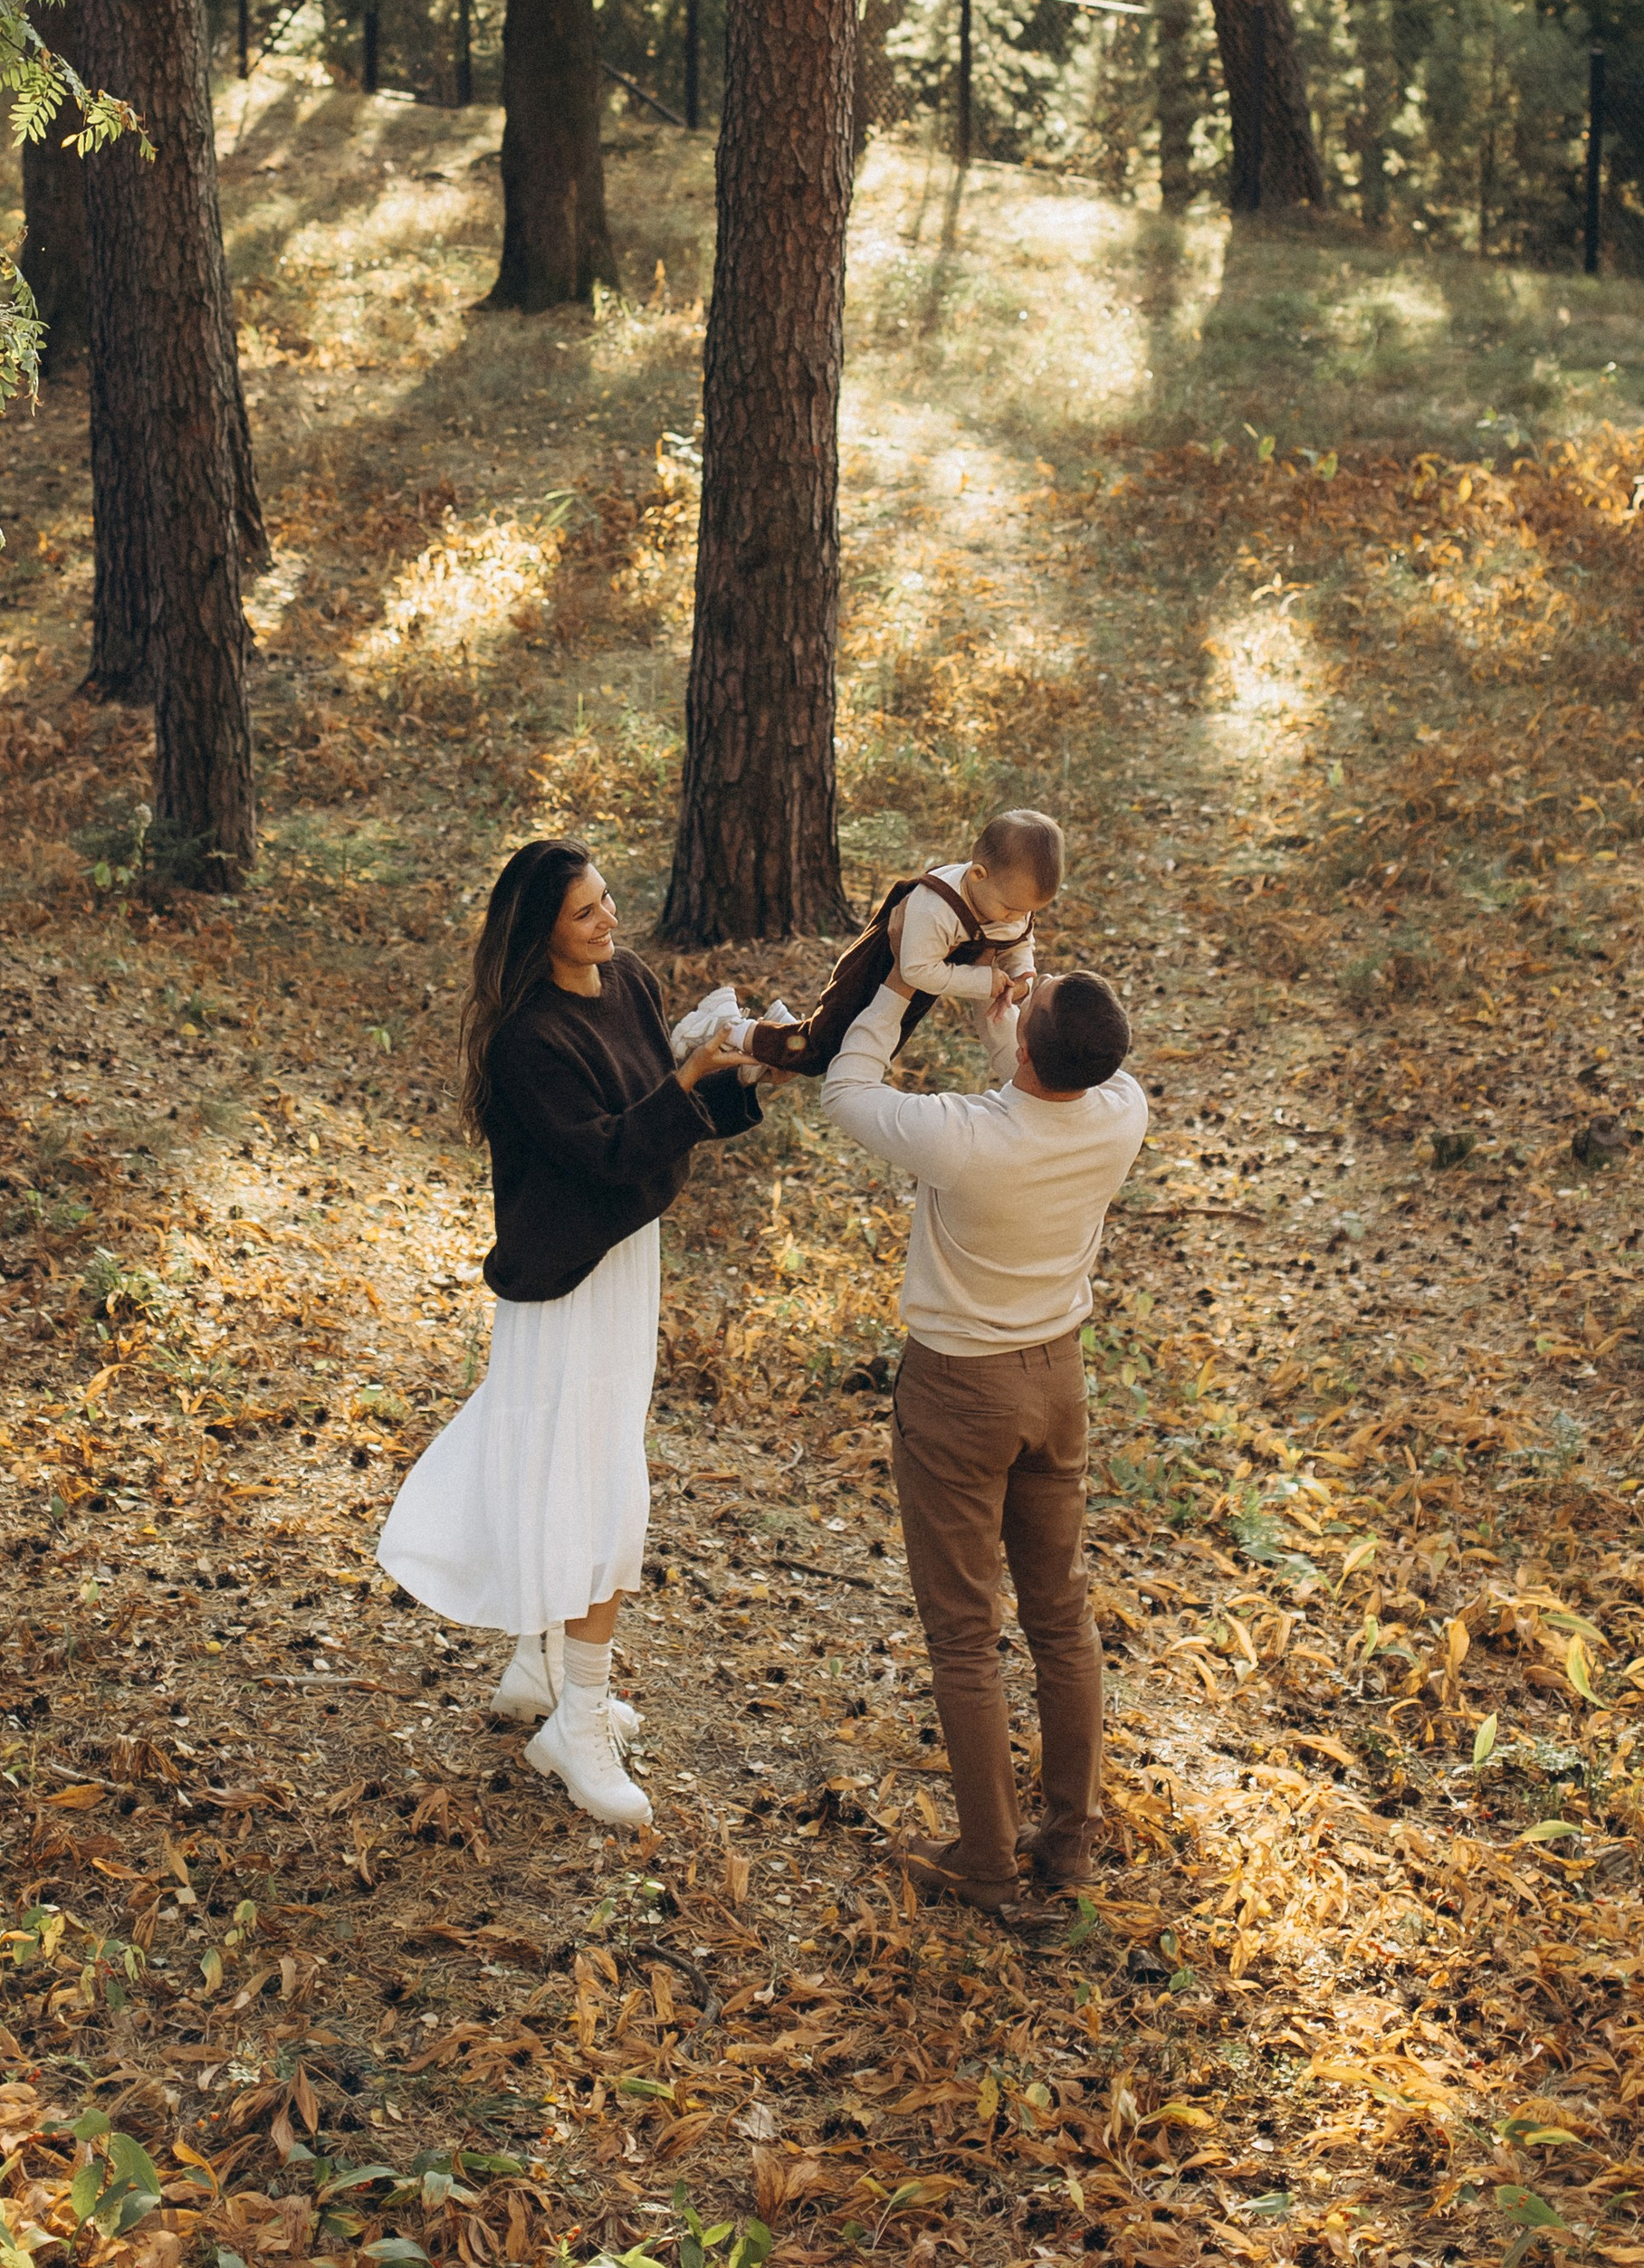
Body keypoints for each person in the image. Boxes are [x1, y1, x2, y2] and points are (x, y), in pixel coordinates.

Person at [378, 839, 757, 1828]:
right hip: (564, 1274)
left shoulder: (624, 980)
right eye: (585, 911)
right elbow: (608, 1148)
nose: (608, 921)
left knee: (575, 1459)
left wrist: (735, 1070)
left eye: (606, 901)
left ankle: (539, 1671)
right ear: (538, 926)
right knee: (589, 1482)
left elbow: (654, 1106)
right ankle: (574, 1716)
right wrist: (686, 1087)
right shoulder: (526, 1040)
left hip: (625, 1254)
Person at [819, 956, 1146, 1930]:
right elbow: (1045, 1084)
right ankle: (1070, 1839)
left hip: (960, 1392)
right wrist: (1011, 1031)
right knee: (1059, 1613)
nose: (1022, 987)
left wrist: (895, 986)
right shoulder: (1120, 1111)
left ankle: (987, 1863)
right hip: (1056, 1378)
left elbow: (845, 1087)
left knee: (964, 1631)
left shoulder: (961, 1137)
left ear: (1033, 1046)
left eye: (1028, 997)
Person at [733, 807, 1062, 1079]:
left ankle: (776, 1044)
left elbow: (1019, 940)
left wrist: (1021, 972)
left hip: (926, 977)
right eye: (1010, 909)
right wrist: (983, 981)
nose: (1014, 918)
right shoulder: (935, 909)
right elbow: (914, 970)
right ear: (977, 875)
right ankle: (734, 1030)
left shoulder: (1007, 901)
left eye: (1026, 912)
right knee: (824, 1048)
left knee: (868, 1046)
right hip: (879, 969)